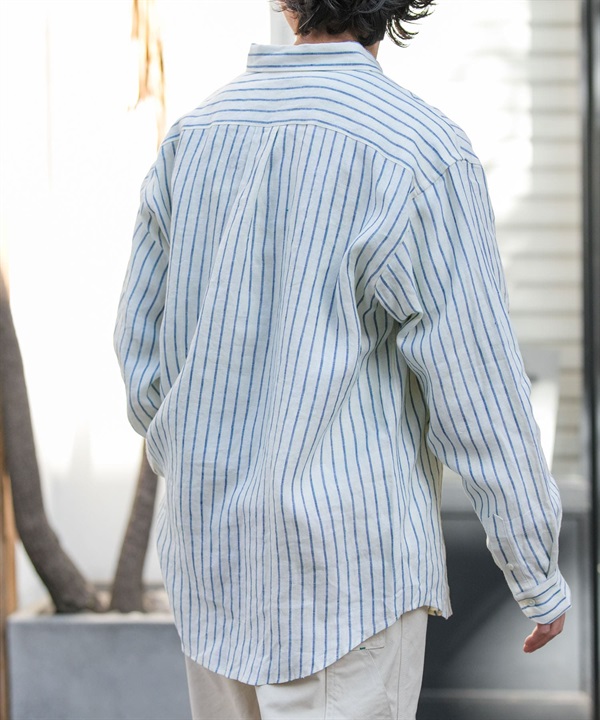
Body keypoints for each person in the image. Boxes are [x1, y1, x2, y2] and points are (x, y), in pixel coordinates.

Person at [114, 2, 571, 718]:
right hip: (347, 583)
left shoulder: (193, 138)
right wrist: (535, 567)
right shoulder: (420, 153)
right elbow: (477, 389)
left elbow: (139, 357)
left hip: (210, 573)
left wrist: (207, 461)